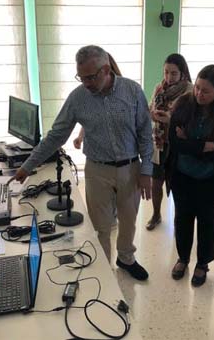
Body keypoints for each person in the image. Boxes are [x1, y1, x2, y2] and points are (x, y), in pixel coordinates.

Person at [13, 45, 153, 281]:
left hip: (130, 168)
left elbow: (145, 133)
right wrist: (28, 165)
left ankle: (126, 258)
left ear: (106, 69)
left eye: (91, 77)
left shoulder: (132, 91)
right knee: (101, 226)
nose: (86, 82)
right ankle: (104, 270)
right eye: (81, 77)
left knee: (128, 221)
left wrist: (147, 169)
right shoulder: (78, 98)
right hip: (97, 170)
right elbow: (56, 135)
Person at [154, 64, 214, 286]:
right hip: (182, 176)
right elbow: (175, 143)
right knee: (182, 219)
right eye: (198, 88)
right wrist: (205, 146)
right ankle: (183, 258)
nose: (199, 94)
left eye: (206, 91)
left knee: (207, 221)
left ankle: (202, 263)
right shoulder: (184, 103)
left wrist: (190, 142)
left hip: (211, 179)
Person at [146, 53, 193, 231]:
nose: (168, 77)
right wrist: (152, 114)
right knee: (155, 182)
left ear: (182, 73)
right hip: (159, 142)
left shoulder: (190, 90)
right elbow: (151, 107)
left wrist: (170, 120)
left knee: (178, 185)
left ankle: (179, 219)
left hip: (178, 145)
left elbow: (192, 120)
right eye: (166, 72)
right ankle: (156, 214)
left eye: (173, 73)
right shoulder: (160, 88)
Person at [73, 52, 122, 150]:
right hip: (96, 156)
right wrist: (80, 137)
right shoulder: (89, 92)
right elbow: (91, 119)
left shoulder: (125, 92)